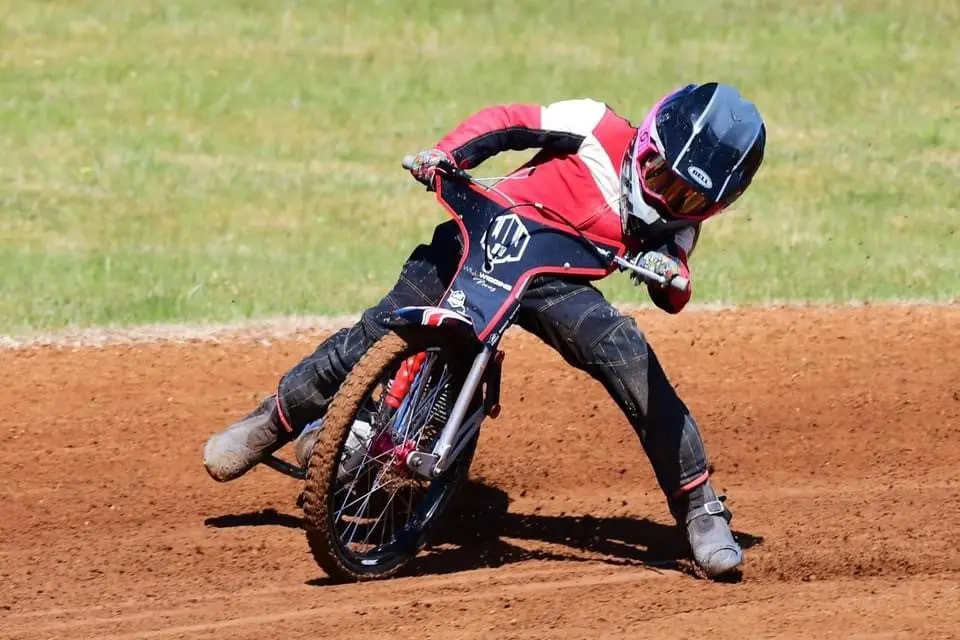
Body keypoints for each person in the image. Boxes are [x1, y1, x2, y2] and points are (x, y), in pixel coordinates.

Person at [202, 82, 766, 579]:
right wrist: (447, 155)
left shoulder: (679, 226)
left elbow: (674, 287)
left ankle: (699, 508)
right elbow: (506, 121)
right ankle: (269, 423)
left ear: (712, 207)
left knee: (630, 356)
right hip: (479, 237)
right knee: (369, 335)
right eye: (660, 172)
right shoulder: (595, 124)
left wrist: (672, 275)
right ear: (647, 138)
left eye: (689, 198)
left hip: (554, 283)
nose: (668, 195)